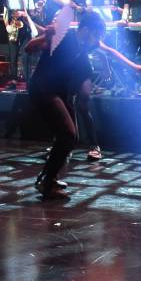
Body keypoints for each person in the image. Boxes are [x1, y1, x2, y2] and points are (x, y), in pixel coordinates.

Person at [23, 11, 106, 198]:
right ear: (85, 30)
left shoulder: (82, 48)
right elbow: (29, 48)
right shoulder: (64, 38)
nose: (97, 40)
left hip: (58, 92)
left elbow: (108, 53)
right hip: (43, 89)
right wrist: (46, 35)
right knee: (68, 134)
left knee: (71, 137)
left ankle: (47, 178)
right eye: (96, 35)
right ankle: (46, 180)